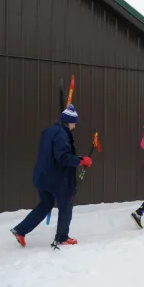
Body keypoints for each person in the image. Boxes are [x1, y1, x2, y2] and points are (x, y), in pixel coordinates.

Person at [10, 104, 93, 247]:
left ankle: (20, 230)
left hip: (44, 176)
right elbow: (62, 157)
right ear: (69, 122)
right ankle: (62, 237)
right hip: (57, 179)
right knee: (66, 206)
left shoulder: (49, 131)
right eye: (74, 123)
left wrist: (77, 158)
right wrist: (80, 160)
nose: (75, 126)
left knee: (45, 205)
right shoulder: (61, 135)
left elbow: (53, 154)